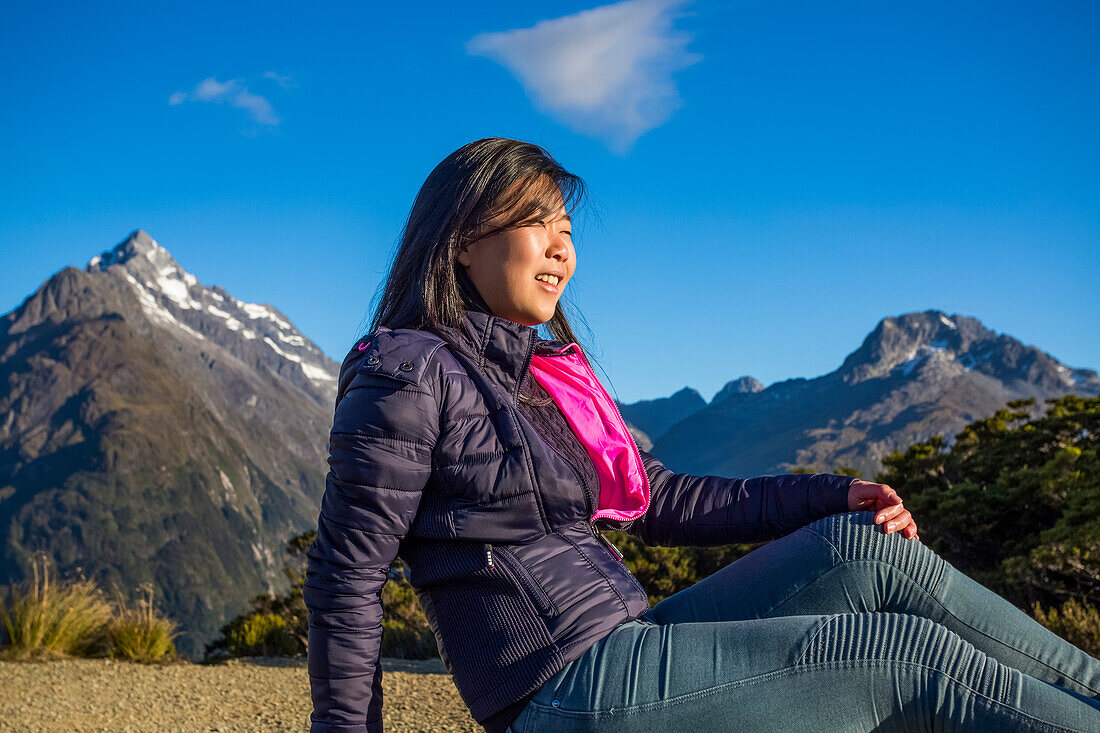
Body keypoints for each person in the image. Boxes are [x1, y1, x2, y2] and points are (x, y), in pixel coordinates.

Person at [304, 137, 1100, 733]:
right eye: (534, 223)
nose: (561, 249)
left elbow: (663, 497)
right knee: (900, 658)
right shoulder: (406, 371)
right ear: (463, 239)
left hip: (624, 637)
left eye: (567, 230)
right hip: (559, 687)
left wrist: (832, 497)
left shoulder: (542, 377)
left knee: (865, 549)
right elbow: (345, 578)